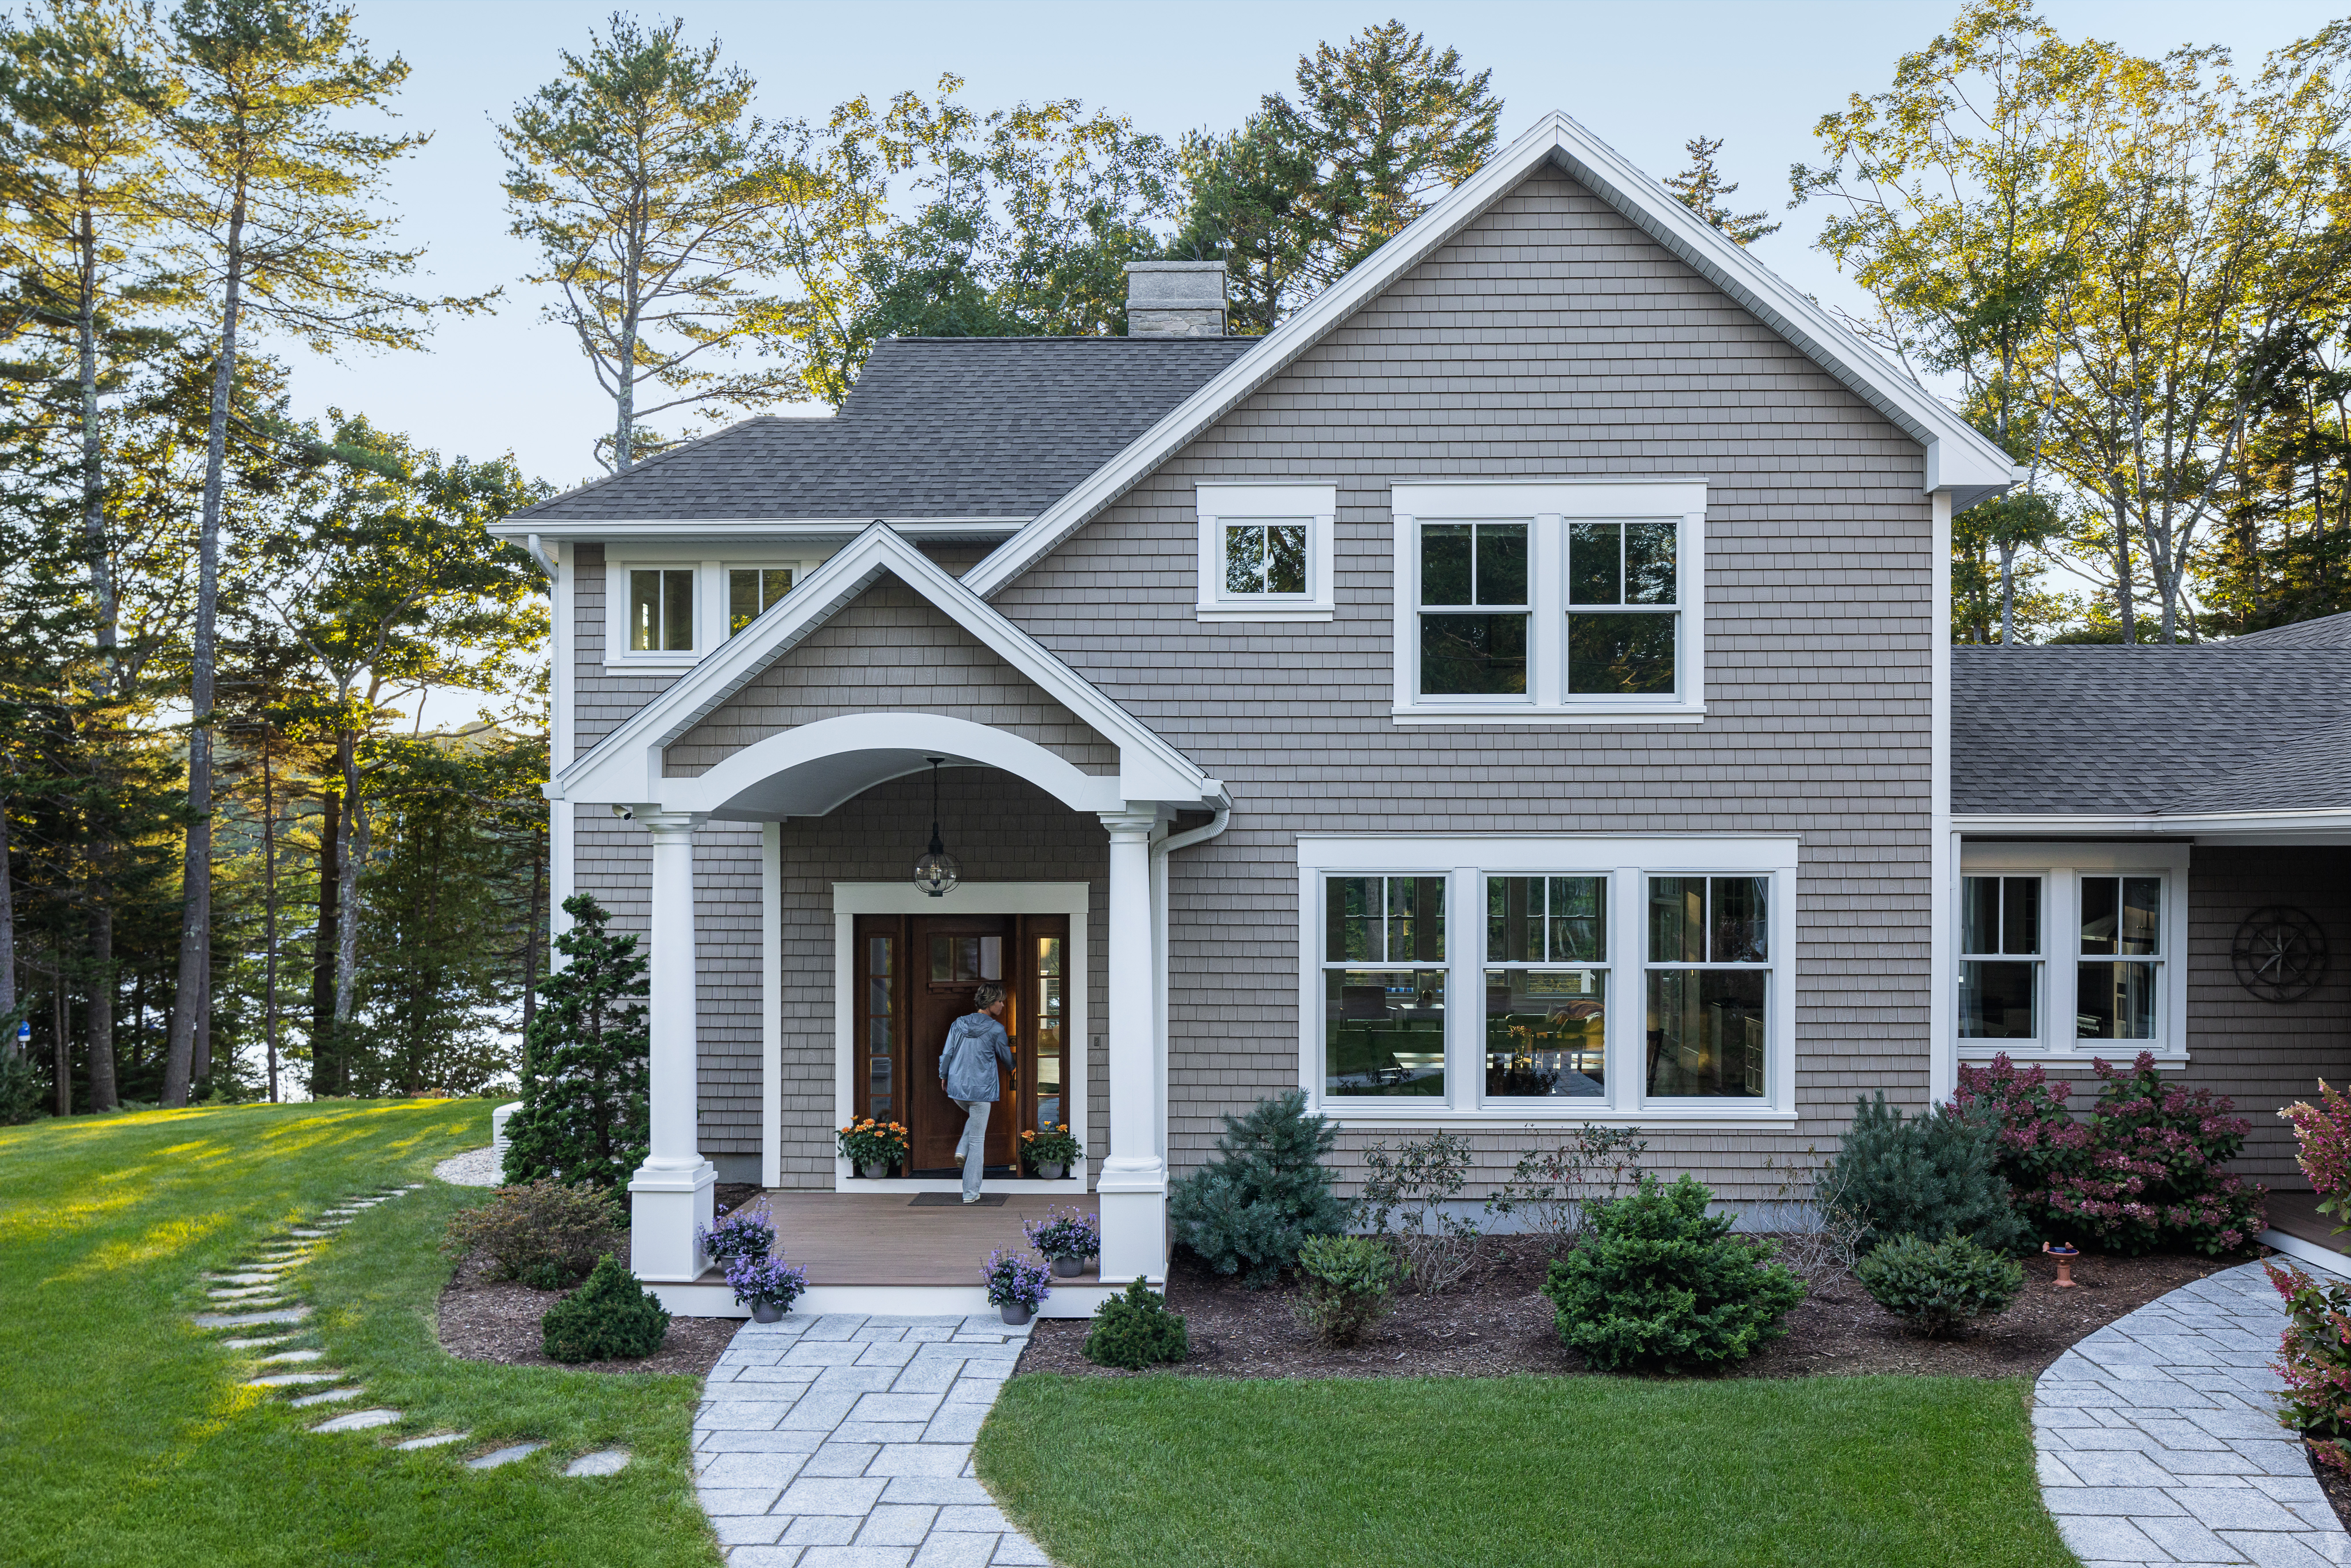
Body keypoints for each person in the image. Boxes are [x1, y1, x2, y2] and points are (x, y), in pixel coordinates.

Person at [938, 982, 1014, 1203]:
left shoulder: (958, 1024)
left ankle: (962, 1147)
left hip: (957, 1090)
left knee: (973, 1124)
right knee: (978, 1141)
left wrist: (944, 1076)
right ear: (990, 1003)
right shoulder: (996, 1029)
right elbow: (1007, 1058)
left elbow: (947, 1054)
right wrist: (1013, 1066)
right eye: (1000, 1001)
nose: (1002, 1005)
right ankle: (970, 1193)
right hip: (981, 1092)